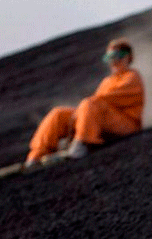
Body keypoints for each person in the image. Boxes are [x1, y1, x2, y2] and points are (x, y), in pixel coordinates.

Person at [24, 38, 145, 168]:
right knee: (58, 114)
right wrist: (82, 113)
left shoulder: (132, 77)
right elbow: (97, 104)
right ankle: (36, 155)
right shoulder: (107, 81)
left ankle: (80, 145)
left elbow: (105, 100)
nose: (114, 61)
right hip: (101, 123)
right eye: (110, 57)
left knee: (89, 103)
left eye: (118, 56)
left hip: (126, 125)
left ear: (129, 57)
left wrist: (84, 110)